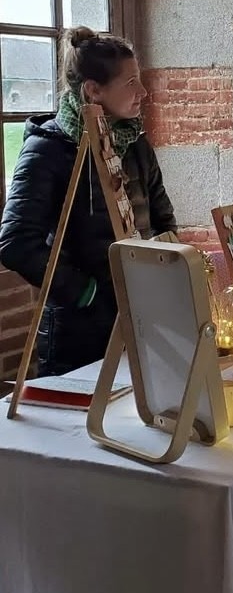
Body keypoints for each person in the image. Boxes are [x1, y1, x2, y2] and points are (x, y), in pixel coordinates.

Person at [0, 27, 177, 376]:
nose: (142, 93)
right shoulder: (47, 149)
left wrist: (163, 276)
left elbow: (162, 218)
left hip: (140, 316)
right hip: (77, 332)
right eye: (130, 83)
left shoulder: (134, 142)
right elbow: (15, 243)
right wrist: (88, 292)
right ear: (94, 90)